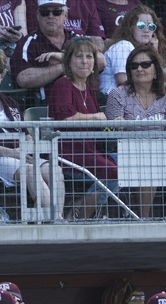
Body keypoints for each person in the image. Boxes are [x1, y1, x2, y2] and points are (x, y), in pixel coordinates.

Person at [0, 46, 64, 220]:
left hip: (19, 156)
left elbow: (26, 135)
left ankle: (45, 218)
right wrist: (13, 153)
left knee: (54, 170)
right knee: (30, 171)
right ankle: (56, 219)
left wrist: (30, 151)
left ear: (2, 75)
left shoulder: (10, 101)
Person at [105, 46, 166, 218]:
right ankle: (143, 220)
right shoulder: (117, 95)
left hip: (161, 151)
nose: (139, 69)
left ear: (156, 69)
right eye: (134, 66)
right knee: (150, 164)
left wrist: (158, 147)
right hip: (128, 154)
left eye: (145, 64)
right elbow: (113, 134)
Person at [49, 35, 118, 220]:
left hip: (92, 149)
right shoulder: (63, 84)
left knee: (126, 162)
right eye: (79, 56)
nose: (85, 61)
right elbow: (66, 118)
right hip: (69, 151)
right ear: (69, 62)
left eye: (89, 57)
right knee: (114, 171)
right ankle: (79, 213)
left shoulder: (90, 87)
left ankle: (84, 208)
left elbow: (97, 125)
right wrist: (97, 117)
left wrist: (112, 125)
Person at [101, 5, 166, 103]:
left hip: (135, 96)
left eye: (151, 26)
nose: (146, 30)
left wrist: (153, 52)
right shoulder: (124, 46)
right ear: (130, 27)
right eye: (141, 25)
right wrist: (160, 76)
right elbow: (122, 82)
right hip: (116, 99)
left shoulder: (142, 51)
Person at [12, 0, 94, 100]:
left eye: (56, 12)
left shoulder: (76, 38)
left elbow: (101, 61)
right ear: (38, 16)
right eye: (45, 12)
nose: (51, 16)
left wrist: (64, 57)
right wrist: (62, 67)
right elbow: (22, 79)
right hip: (48, 106)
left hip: (83, 101)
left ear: (65, 15)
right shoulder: (28, 43)